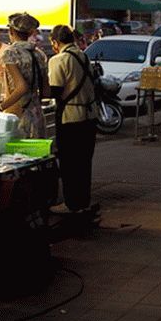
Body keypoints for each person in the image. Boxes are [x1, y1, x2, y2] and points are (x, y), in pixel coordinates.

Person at [47, 25, 97, 214]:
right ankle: (83, 202)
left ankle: (71, 204)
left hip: (71, 117)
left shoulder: (59, 59)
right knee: (84, 163)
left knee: (69, 163)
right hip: (90, 116)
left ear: (55, 42)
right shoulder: (83, 56)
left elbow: (55, 90)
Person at [0, 13, 48, 138]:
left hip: (19, 116)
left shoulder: (10, 53)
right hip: (38, 116)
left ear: (11, 31)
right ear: (30, 33)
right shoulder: (39, 54)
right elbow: (46, 91)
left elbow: (21, 87)